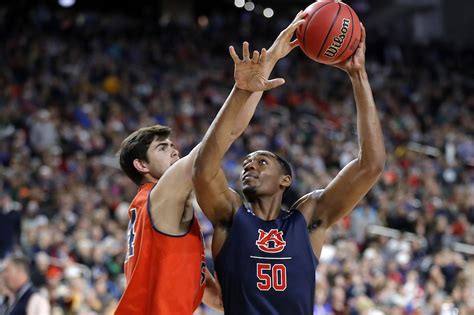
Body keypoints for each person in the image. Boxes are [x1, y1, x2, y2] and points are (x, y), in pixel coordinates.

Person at [113, 12, 305, 314]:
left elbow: (217, 298)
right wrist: (255, 76)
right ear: (141, 166)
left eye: (173, 145)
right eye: (163, 148)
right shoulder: (158, 197)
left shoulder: (168, 223)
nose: (175, 151)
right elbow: (222, 138)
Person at [192, 23, 386, 314]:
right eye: (247, 163)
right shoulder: (230, 217)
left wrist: (358, 76)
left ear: (285, 179)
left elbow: (371, 165)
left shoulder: (307, 219)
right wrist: (241, 91)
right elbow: (203, 168)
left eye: (261, 161)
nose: (250, 166)